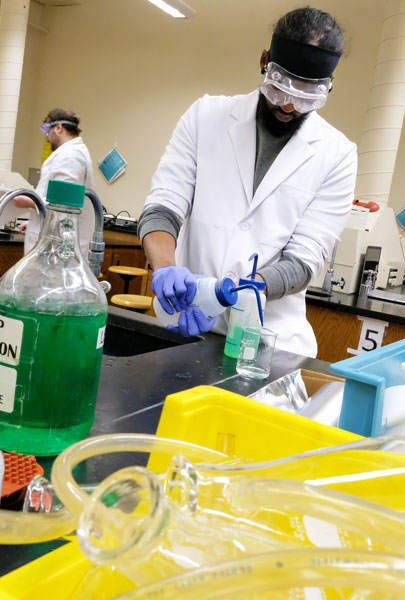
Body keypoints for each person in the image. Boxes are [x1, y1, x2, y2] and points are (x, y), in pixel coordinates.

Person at [138, 7, 357, 358]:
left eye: (305, 97)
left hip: (270, 340)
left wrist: (230, 294)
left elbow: (305, 260)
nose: (288, 106)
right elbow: (164, 206)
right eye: (280, 87)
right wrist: (166, 270)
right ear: (264, 61)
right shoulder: (205, 117)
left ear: (330, 85)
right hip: (185, 320)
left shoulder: (338, 154)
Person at [15, 108, 95, 255]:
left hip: (58, 249)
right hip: (55, 242)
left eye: (47, 130)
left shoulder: (70, 157)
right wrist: (34, 222)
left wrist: (29, 202)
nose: (46, 138)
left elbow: (64, 205)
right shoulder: (68, 154)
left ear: (58, 127)